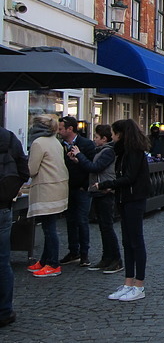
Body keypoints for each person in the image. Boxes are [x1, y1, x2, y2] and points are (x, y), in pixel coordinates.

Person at [95, 119, 151, 302]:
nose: (113, 137)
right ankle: (128, 283)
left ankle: (139, 285)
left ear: (122, 134)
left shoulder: (134, 152)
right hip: (125, 199)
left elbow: (129, 177)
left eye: (115, 134)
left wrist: (106, 184)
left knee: (136, 241)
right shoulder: (123, 152)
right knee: (127, 242)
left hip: (134, 199)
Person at [68, 124, 122, 273]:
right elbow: (92, 166)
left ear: (104, 139)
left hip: (104, 191)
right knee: (103, 227)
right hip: (98, 190)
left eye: (97, 137)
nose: (94, 140)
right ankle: (107, 258)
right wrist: (78, 161)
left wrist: (79, 155)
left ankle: (116, 259)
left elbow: (95, 167)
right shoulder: (103, 151)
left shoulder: (107, 152)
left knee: (107, 226)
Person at [26, 115, 69, 278]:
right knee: (48, 226)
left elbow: (32, 169)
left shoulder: (38, 143)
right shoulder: (55, 141)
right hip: (57, 187)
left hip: (47, 189)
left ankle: (53, 264)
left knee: (49, 228)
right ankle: (45, 260)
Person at [0, 126, 29, 327]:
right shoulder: (8, 137)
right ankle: (4, 311)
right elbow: (23, 171)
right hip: (3, 205)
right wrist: (10, 191)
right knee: (2, 261)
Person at [58, 116, 96, 267]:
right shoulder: (60, 145)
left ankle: (84, 253)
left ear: (70, 129)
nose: (59, 131)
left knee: (81, 220)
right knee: (70, 221)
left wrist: (86, 185)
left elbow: (92, 167)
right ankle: (73, 251)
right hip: (67, 188)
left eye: (61, 128)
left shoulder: (86, 144)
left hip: (81, 188)